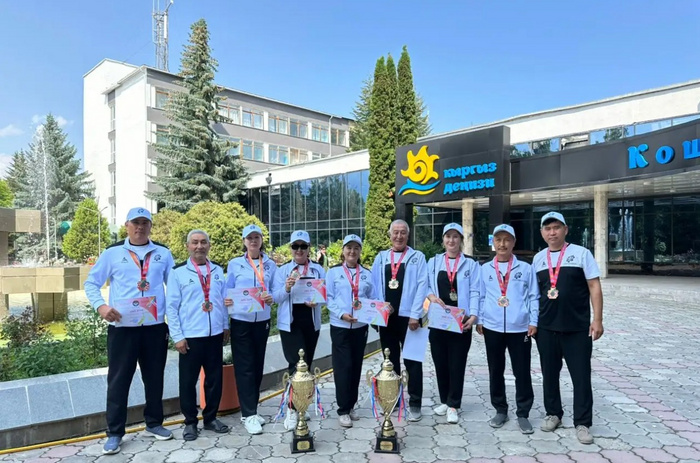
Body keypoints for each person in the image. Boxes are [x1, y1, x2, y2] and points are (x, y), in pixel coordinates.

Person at [84, 207, 175, 455]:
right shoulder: (112, 253)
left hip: (154, 327)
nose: (140, 227)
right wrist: (101, 306)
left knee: (154, 378)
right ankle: (115, 432)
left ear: (151, 226)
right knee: (118, 380)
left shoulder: (163, 253)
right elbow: (91, 283)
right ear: (127, 226)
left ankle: (154, 423)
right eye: (136, 222)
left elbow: (174, 287)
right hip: (123, 328)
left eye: (145, 222)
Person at [532, 212, 604, 445]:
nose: (552, 232)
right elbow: (534, 294)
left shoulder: (581, 254)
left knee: (581, 377)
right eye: (547, 228)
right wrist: (533, 323)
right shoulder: (538, 259)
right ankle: (553, 413)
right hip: (546, 327)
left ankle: (583, 423)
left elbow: (594, 286)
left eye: (556, 227)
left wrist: (597, 319)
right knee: (549, 374)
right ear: (542, 233)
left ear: (565, 229)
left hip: (577, 328)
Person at [166, 230, 230, 441]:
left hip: (214, 335)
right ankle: (190, 422)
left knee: (214, 380)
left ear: (209, 246)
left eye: (203, 242)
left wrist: (225, 325)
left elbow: (222, 301)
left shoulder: (217, 270)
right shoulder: (178, 273)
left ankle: (210, 418)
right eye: (195, 242)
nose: (199, 246)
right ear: (188, 246)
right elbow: (171, 307)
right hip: (190, 337)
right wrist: (177, 336)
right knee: (188, 382)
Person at [477, 224, 539, 434]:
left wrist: (533, 321)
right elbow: (481, 296)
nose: (502, 244)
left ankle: (523, 413)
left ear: (513, 242)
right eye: (498, 240)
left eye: (506, 240)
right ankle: (500, 409)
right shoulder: (485, 269)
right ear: (493, 243)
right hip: (492, 327)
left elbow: (534, 296)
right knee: (495, 370)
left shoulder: (525, 268)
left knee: (522, 371)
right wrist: (480, 320)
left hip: (519, 328)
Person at [371, 219, 428, 422]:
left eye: (403, 232)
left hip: (410, 319)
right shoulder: (381, 257)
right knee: (390, 361)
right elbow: (375, 286)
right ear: (389, 235)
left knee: (413, 362)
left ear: (408, 235)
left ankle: (415, 403)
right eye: (395, 232)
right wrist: (379, 310)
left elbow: (422, 286)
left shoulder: (417, 257)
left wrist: (415, 314)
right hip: (387, 319)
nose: (399, 236)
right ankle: (392, 399)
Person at [224, 224, 278, 435]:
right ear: (244, 241)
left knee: (257, 366)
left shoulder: (270, 264)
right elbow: (227, 290)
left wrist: (272, 297)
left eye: (257, 237)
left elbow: (275, 289)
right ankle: (248, 414)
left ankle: (252, 409)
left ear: (261, 240)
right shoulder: (235, 264)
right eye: (250, 238)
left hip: (262, 320)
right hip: (241, 321)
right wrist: (227, 301)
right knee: (244, 367)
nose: (253, 241)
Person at [426, 223, 481, 424]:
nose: (451, 240)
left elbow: (475, 291)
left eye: (455, 236)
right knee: (440, 363)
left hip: (460, 322)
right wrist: (431, 296)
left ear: (461, 240)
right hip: (439, 322)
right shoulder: (433, 262)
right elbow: (426, 285)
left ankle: (453, 405)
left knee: (457, 364)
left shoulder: (471, 264)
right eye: (448, 236)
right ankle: (444, 400)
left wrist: (473, 316)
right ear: (443, 240)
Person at [272, 230, 326, 431]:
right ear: (291, 248)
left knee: (307, 366)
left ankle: (301, 405)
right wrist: (286, 288)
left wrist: (317, 301)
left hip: (310, 324)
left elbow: (326, 295)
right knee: (296, 366)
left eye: (303, 246)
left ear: (309, 248)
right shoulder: (283, 271)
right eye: (296, 246)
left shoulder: (318, 270)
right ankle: (291, 409)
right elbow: (275, 298)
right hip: (290, 325)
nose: (299, 250)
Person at [327, 234, 376, 428]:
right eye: (349, 247)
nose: (352, 251)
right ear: (343, 250)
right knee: (343, 367)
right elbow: (328, 297)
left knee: (356, 366)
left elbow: (373, 298)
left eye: (356, 248)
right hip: (340, 326)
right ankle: (342, 409)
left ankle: (351, 405)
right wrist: (341, 314)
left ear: (360, 251)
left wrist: (378, 311)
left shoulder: (367, 274)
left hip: (360, 327)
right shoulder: (333, 273)